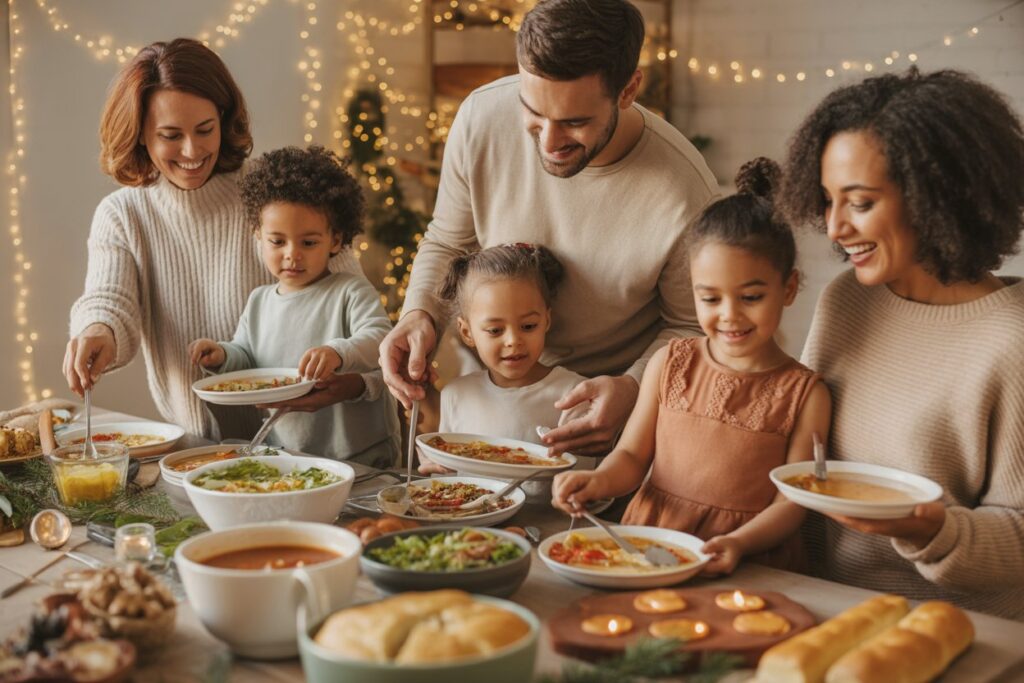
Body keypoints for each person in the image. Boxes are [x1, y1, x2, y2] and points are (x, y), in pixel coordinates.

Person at [379, 0, 717, 458]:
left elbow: (688, 324)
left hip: (611, 422)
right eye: (533, 113)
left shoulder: (683, 188)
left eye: (575, 122)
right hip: (493, 399)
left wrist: (632, 388)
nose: (549, 142)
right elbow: (448, 240)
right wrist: (418, 314)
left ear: (628, 89)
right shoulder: (480, 117)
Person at [779, 68, 1024, 619]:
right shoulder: (846, 302)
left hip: (956, 627)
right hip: (827, 607)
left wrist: (928, 528)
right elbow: (806, 459)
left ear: (936, 197)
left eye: (860, 203)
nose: (835, 228)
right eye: (826, 200)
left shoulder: (1013, 340)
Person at [64, 38, 361, 439]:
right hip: (196, 442)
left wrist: (352, 375)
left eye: (205, 129)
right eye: (170, 135)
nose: (192, 150)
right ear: (139, 136)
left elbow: (351, 292)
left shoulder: (271, 193)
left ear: (224, 118)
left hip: (308, 437)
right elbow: (109, 301)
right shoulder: (122, 214)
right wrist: (97, 330)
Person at [553, 159, 832, 576]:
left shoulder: (806, 394)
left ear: (787, 288)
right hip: (650, 544)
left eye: (751, 297)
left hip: (749, 562)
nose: (729, 316)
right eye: (711, 298)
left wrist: (738, 543)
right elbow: (630, 455)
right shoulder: (669, 362)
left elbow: (792, 504)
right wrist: (598, 482)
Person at [188, 146, 399, 466]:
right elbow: (246, 357)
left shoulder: (349, 290)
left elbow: (380, 337)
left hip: (361, 456)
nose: (292, 254)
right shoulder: (258, 301)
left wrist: (337, 352)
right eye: (277, 241)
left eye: (309, 242)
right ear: (258, 235)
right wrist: (221, 356)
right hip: (289, 453)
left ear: (336, 240)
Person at [422, 243, 589, 474]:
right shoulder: (455, 394)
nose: (513, 340)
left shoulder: (573, 394)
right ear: (467, 332)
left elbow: (586, 480)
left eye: (528, 326)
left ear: (546, 321)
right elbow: (449, 472)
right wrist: (436, 468)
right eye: (495, 330)